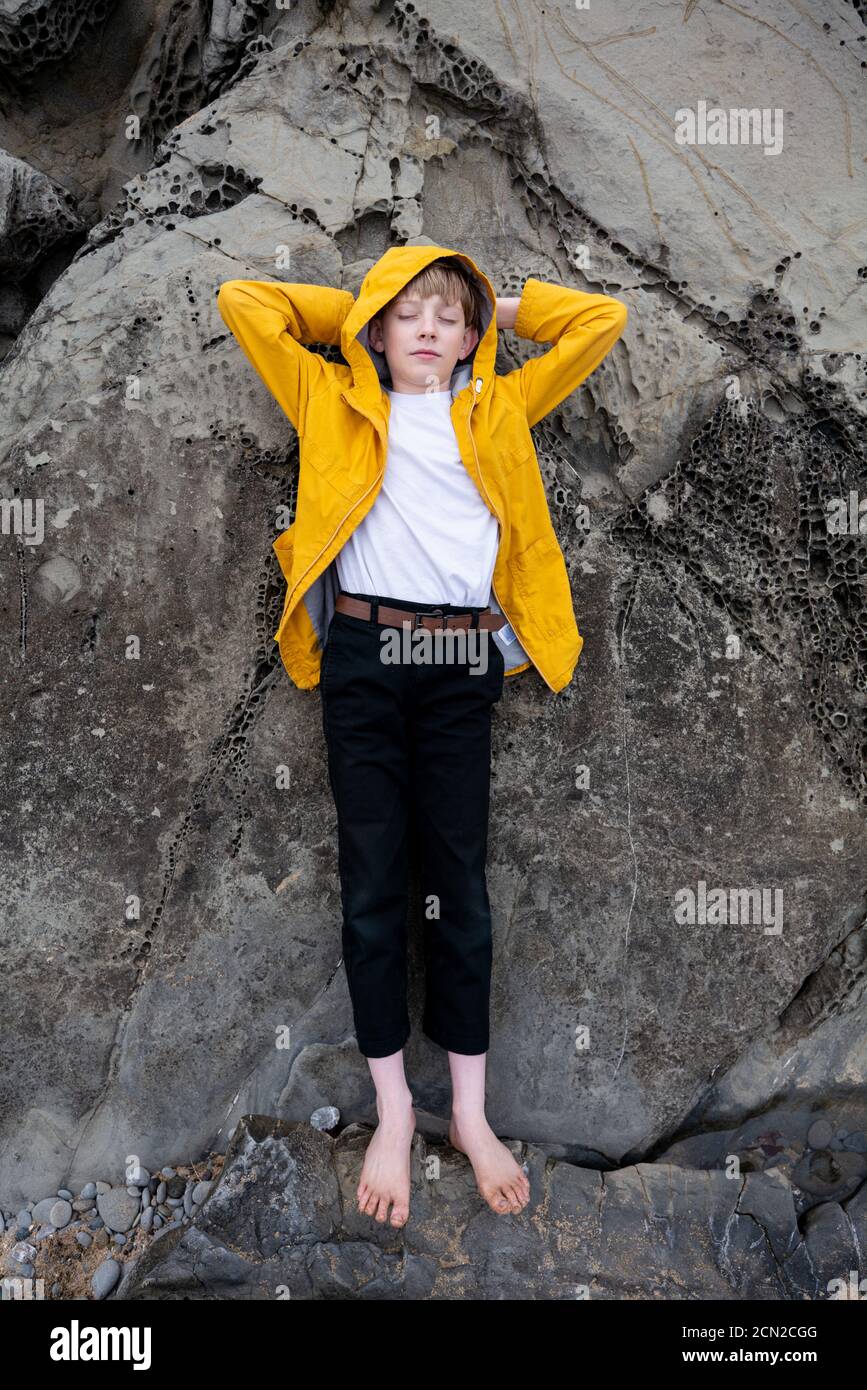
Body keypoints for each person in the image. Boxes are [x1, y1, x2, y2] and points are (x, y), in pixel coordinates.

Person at [217, 245, 627, 1228]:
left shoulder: (495, 407)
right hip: (362, 655)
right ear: (373, 330)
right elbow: (247, 301)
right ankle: (395, 1112)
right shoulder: (329, 396)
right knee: (372, 887)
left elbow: (599, 322)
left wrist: (497, 302)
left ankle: (471, 1116)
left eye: (449, 317)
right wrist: (365, 301)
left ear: (473, 334)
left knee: (461, 885)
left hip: (458, 668)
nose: (431, 331)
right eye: (409, 316)